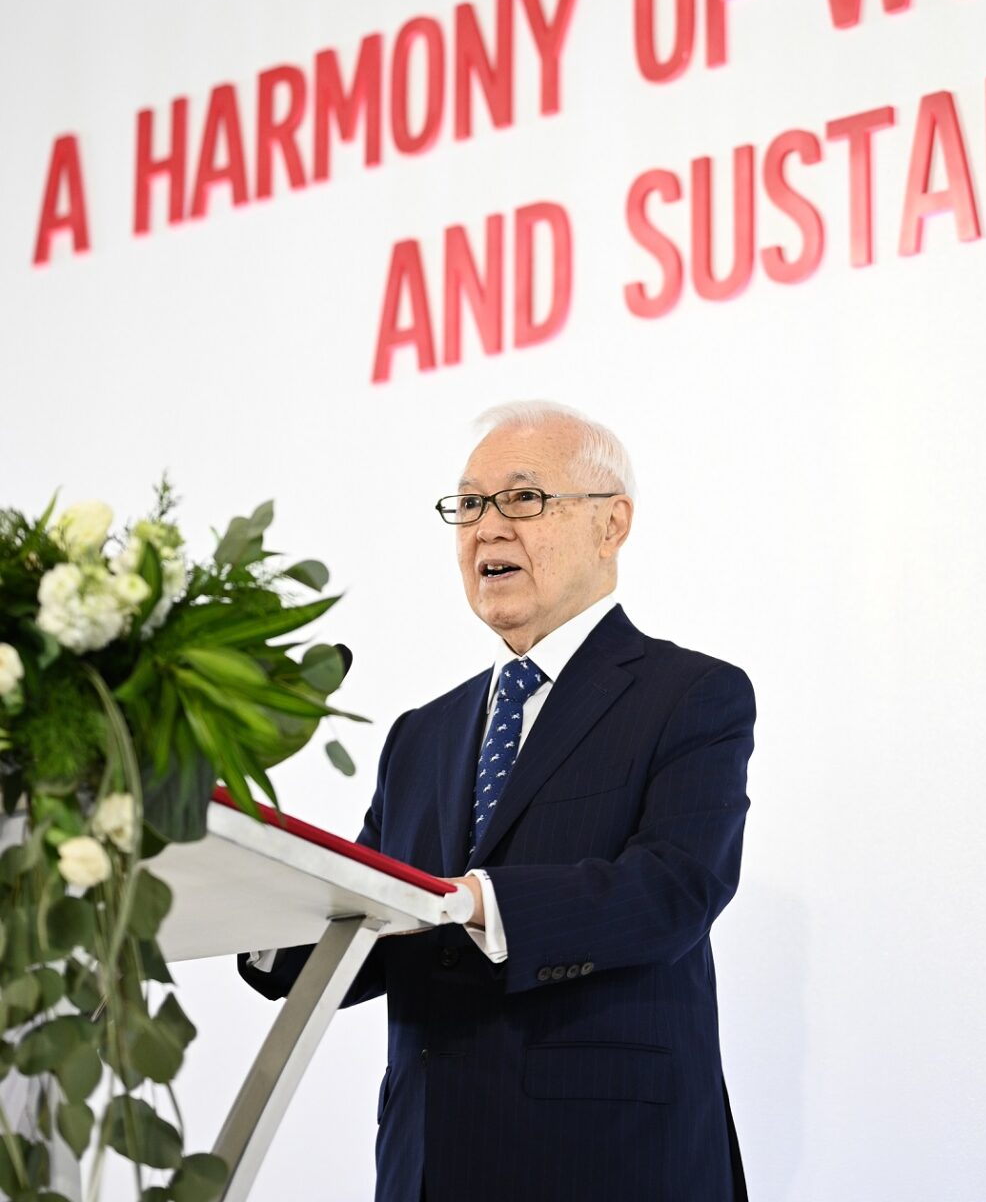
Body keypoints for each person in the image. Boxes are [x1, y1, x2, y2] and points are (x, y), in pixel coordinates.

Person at [239, 399, 754, 1202]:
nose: (487, 529)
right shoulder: (421, 734)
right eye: (470, 505)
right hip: (428, 1161)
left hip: (608, 1161)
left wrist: (477, 901)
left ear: (611, 524)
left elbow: (673, 890)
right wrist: (248, 900)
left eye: (522, 499)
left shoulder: (690, 694)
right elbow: (372, 919)